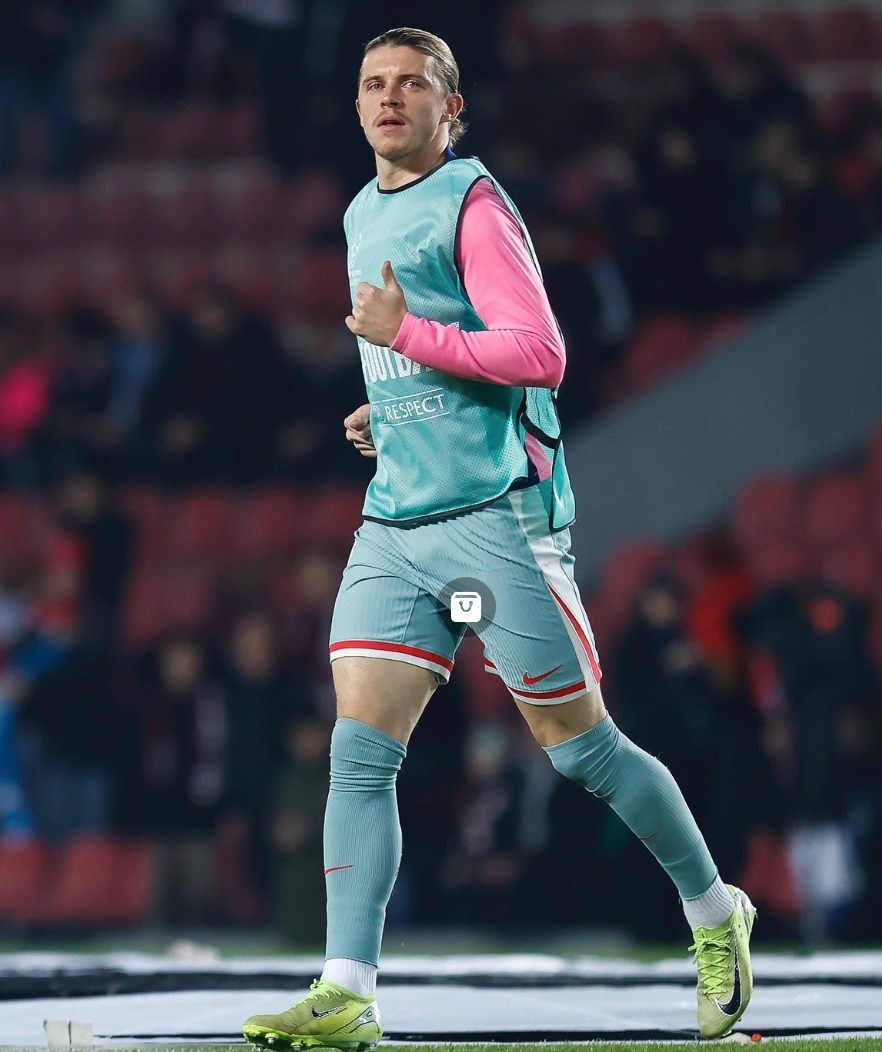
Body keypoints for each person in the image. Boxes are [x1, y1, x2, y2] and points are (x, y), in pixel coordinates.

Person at [242, 27, 755, 1048]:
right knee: (359, 752)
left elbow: (540, 353)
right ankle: (347, 989)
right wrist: (383, 408)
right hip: (396, 521)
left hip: (495, 517)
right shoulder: (357, 211)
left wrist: (405, 341)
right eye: (372, 85)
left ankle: (714, 911)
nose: (389, 99)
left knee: (583, 752)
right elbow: (418, 349)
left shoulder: (474, 201)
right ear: (353, 108)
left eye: (412, 85)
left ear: (452, 108)